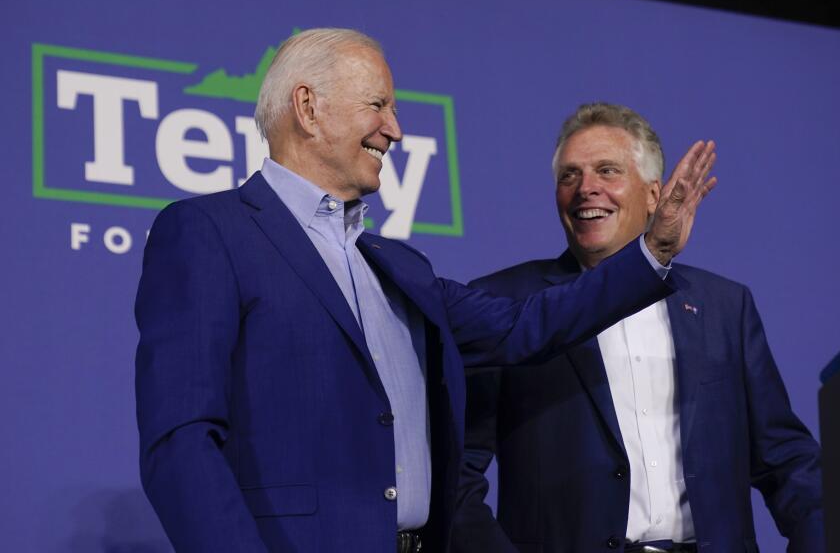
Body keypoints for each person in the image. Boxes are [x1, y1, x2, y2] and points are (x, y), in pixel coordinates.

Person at [134, 30, 714, 552]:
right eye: (378, 105)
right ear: (308, 108)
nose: (396, 128)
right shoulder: (210, 232)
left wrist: (653, 252)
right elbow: (181, 444)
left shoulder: (396, 264)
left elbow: (523, 326)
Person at [451, 103, 823, 553]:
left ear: (653, 195)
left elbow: (787, 461)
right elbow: (457, 475)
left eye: (607, 171)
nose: (586, 189)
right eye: (569, 176)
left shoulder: (725, 306)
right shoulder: (509, 303)